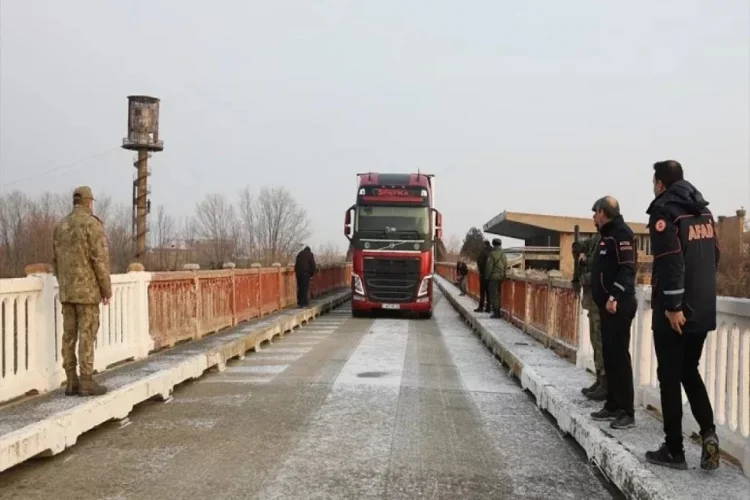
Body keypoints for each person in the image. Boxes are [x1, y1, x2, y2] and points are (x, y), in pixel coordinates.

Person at [644, 160, 720, 471]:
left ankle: (674, 450)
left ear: (660, 183)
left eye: (653, 181)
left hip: (676, 312)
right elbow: (714, 255)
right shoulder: (703, 212)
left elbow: (670, 260)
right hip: (702, 308)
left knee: (670, 376)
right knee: (690, 370)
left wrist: (673, 307)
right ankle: (709, 434)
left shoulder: (666, 211)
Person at [52, 186, 111, 396]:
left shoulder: (61, 226)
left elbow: (55, 262)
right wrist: (106, 290)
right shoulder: (91, 225)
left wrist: (64, 283)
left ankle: (71, 381)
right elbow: (99, 260)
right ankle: (86, 380)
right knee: (87, 334)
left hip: (67, 292)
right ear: (89, 202)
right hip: (87, 292)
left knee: (68, 335)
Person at [589, 196, 637, 430]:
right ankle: (612, 404)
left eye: (595, 212)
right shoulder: (606, 235)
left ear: (604, 212)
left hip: (618, 305)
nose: (593, 216)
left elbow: (628, 269)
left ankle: (627, 411)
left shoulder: (622, 234)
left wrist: (614, 296)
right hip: (605, 307)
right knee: (609, 356)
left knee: (620, 357)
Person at [572, 231, 606, 401]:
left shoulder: (608, 240)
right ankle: (599, 379)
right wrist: (578, 250)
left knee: (600, 340)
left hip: (600, 299)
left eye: (597, 213)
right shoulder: (595, 240)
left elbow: (603, 273)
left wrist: (583, 277)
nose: (594, 217)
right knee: (594, 338)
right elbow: (579, 247)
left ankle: (605, 382)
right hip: (592, 299)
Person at [484, 238, 507, 319]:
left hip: (493, 277)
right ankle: (500, 310)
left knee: (494, 295)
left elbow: (489, 267)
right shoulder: (503, 254)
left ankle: (496, 313)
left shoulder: (492, 254)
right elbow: (505, 265)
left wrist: (487, 277)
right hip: (501, 277)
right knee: (500, 294)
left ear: (493, 244)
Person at [474, 241, 492, 313]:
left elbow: (479, 262)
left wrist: (481, 272)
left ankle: (481, 307)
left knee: (482, 292)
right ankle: (488, 308)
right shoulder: (492, 252)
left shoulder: (483, 252)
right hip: (491, 276)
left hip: (484, 275)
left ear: (484, 245)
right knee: (489, 292)